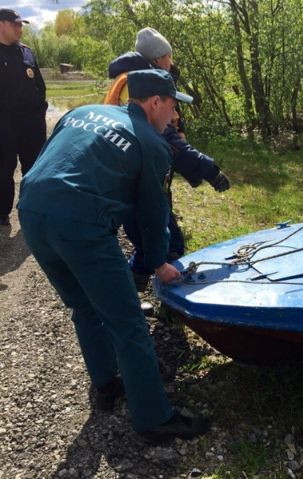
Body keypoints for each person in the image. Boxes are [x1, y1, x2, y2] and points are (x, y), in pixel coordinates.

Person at [17, 70, 210, 442]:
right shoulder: (152, 145)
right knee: (128, 322)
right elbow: (153, 215)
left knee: (84, 306)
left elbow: (51, 161)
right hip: (80, 224)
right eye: (173, 107)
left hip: (31, 211)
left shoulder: (82, 112)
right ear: (155, 102)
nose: (174, 117)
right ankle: (154, 418)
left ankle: (106, 385)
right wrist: (159, 262)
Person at [105, 27, 230, 290]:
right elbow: (168, 141)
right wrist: (209, 170)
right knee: (166, 240)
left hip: (134, 169)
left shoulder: (135, 78)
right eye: (169, 56)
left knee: (152, 236)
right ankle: (165, 296)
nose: (172, 62)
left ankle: (136, 284)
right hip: (136, 173)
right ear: (158, 58)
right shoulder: (141, 84)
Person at [0, 8, 47, 226]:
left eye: (21, 25)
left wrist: (40, 113)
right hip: (4, 127)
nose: (20, 29)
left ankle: (31, 208)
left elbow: (39, 85)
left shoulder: (27, 52)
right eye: (15, 24)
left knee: (35, 169)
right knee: (3, 171)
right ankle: (2, 213)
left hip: (31, 126)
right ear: (1, 24)